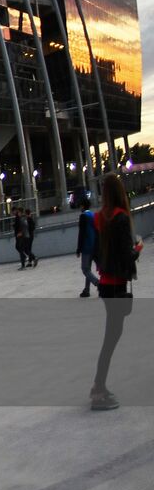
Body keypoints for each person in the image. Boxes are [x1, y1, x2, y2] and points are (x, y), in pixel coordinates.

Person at [90, 174, 142, 410]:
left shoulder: (100, 218)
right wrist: (138, 248)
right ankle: (98, 389)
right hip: (117, 284)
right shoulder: (120, 218)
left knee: (111, 335)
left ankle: (99, 386)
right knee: (111, 338)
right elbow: (126, 254)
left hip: (105, 283)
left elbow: (98, 251)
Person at [75, 193, 100, 297]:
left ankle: (98, 284)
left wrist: (78, 248)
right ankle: (86, 290)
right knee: (88, 269)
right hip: (94, 245)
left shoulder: (83, 216)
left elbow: (82, 233)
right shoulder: (93, 215)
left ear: (82, 206)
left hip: (86, 246)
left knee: (85, 269)